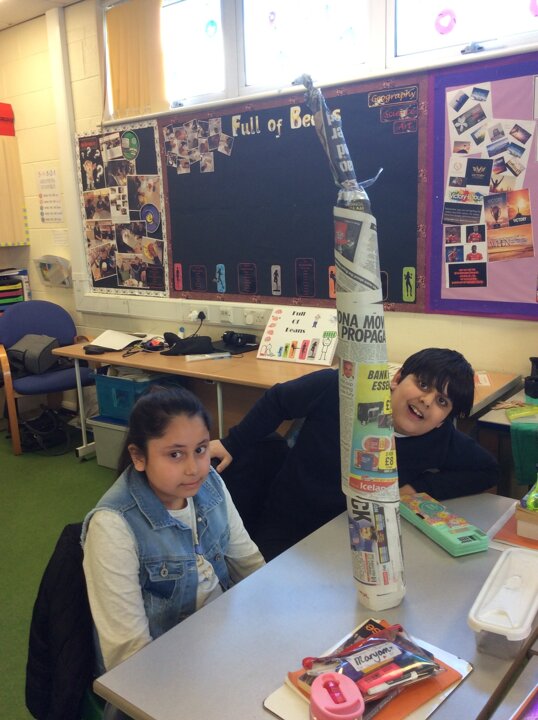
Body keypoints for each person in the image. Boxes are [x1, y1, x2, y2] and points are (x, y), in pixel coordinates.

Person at [210, 348, 500, 561]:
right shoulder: (343, 389)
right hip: (290, 521)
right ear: (397, 378)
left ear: (443, 420)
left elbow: (487, 470)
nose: (426, 400)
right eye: (423, 385)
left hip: (359, 537)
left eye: (442, 401)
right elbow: (278, 400)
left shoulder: (440, 439)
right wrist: (233, 443)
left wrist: (419, 487)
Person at [82, 385, 264, 677]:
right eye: (175, 454)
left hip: (222, 639)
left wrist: (272, 622)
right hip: (167, 670)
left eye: (200, 449)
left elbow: (249, 563)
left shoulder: (211, 484)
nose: (194, 468)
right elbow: (129, 657)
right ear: (138, 457)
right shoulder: (113, 527)